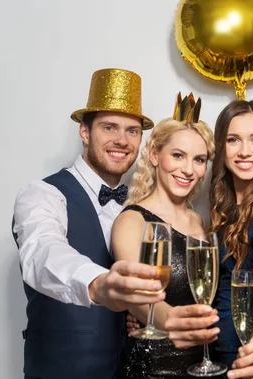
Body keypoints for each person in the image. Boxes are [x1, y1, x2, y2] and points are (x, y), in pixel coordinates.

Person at [12, 68, 166, 378]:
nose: (121, 140)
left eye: (132, 130)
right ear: (85, 132)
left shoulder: (139, 208)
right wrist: (98, 284)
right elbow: (42, 252)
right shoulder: (43, 194)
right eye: (109, 127)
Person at [113, 93, 253, 379]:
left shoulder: (201, 222)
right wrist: (165, 319)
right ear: (153, 155)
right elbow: (133, 294)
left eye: (199, 160)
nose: (188, 170)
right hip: (153, 369)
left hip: (205, 366)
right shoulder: (132, 220)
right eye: (178, 156)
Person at [165, 99, 253, 379]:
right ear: (221, 148)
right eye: (233, 140)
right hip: (218, 358)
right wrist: (148, 313)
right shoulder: (224, 207)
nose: (245, 151)